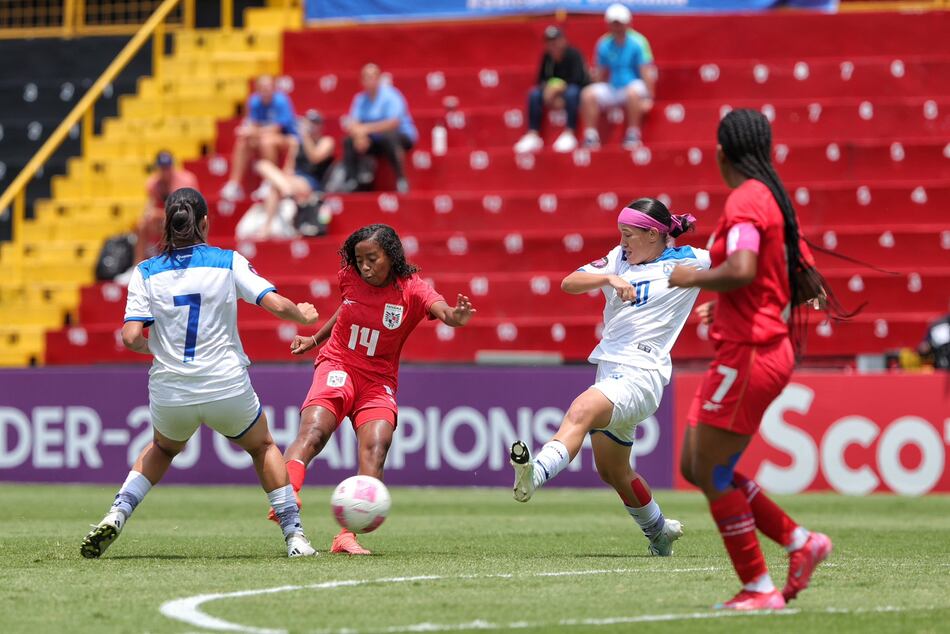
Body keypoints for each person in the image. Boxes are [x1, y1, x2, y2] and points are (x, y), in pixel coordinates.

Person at [80, 187, 321, 560]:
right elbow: (274, 303)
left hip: (171, 390)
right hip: (225, 385)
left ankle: (117, 512)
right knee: (262, 446)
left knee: (163, 448)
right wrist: (302, 315)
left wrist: (155, 348)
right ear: (204, 223)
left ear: (167, 224)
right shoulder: (227, 261)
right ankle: (295, 537)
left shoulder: (146, 271)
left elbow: (130, 337)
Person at [668, 109, 833, 611]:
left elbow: (741, 267)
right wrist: (730, 305)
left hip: (752, 352)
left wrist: (693, 277)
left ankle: (760, 586)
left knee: (713, 471)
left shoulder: (746, 200)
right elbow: (799, 282)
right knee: (695, 464)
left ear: (721, 153)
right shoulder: (771, 197)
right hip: (748, 346)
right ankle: (800, 542)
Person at [509, 198, 707, 557]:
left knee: (581, 410)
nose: (623, 241)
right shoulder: (618, 259)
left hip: (642, 374)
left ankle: (534, 474)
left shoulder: (691, 260)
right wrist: (608, 277)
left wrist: (795, 288)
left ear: (653, 235)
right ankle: (659, 532)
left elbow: (745, 267)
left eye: (629, 234)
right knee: (613, 470)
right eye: (621, 234)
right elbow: (569, 283)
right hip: (610, 371)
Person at [275, 224, 476, 554]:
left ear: (391, 256)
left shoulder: (413, 290)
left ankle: (346, 536)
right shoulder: (349, 276)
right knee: (314, 432)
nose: (365, 267)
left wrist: (456, 316)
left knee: (377, 446)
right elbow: (347, 306)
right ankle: (285, 499)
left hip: (378, 380)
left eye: (372, 259)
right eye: (359, 260)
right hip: (338, 364)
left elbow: (444, 312)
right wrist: (315, 339)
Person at [245, 109, 336, 241]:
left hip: (311, 182)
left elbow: (315, 157)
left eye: (315, 123)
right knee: (263, 167)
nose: (312, 126)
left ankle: (285, 190)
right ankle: (267, 226)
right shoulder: (297, 143)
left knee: (275, 185)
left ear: (321, 126)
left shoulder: (327, 141)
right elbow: (290, 167)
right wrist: (284, 177)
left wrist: (305, 137)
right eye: (310, 122)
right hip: (294, 180)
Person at [580, 3, 656, 150]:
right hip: (613, 86)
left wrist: (649, 97)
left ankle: (633, 134)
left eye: (620, 23)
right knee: (587, 94)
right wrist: (594, 85)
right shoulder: (604, 43)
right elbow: (601, 72)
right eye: (614, 24)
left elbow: (645, 71)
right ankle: (590, 136)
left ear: (628, 23)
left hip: (633, 84)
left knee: (632, 92)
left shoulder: (638, 42)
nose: (617, 28)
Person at [342, 64, 418, 194]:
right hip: (373, 140)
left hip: (400, 136)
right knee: (349, 141)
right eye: (367, 77)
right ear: (362, 81)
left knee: (389, 137)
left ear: (379, 78)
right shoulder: (360, 99)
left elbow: (393, 123)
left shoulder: (392, 95)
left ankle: (401, 179)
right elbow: (352, 122)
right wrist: (360, 135)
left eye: (373, 76)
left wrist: (365, 129)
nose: (370, 80)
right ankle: (352, 180)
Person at [513, 25, 589, 154]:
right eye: (549, 42)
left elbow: (579, 79)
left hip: (573, 92)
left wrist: (558, 88)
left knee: (572, 92)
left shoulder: (574, 54)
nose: (553, 45)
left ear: (563, 40)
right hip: (552, 94)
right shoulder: (547, 57)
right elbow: (540, 80)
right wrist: (548, 91)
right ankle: (533, 134)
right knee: (534, 94)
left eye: (555, 40)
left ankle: (570, 133)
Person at [220, 75, 298, 202]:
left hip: (286, 137)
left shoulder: (281, 101)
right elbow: (252, 124)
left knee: (266, 141)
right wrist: (246, 131)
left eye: (268, 87)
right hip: (263, 136)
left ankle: (268, 181)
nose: (265, 90)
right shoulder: (254, 101)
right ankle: (234, 184)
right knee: (243, 142)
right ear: (257, 89)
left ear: (273, 88)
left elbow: (277, 129)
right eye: (262, 88)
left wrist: (253, 131)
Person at [137, 151, 198, 264]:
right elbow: (149, 207)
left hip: (188, 219)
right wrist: (149, 216)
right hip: (166, 218)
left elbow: (186, 211)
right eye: (162, 168)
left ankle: (170, 260)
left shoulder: (185, 182)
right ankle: (138, 263)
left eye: (167, 168)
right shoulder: (153, 183)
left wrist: (158, 214)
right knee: (142, 225)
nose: (165, 172)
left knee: (169, 223)